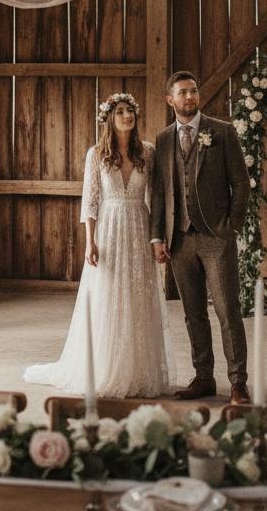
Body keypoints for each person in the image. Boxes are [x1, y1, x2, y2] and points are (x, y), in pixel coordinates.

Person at [24, 93, 176, 399]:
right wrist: (89, 242)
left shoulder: (148, 152)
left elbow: (155, 199)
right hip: (108, 229)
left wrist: (155, 238)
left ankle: (138, 372)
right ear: (110, 117)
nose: (127, 116)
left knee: (137, 296)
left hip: (137, 227)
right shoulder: (96, 154)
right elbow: (90, 201)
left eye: (130, 111)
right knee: (108, 295)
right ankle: (105, 367)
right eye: (120, 111)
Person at [149, 71, 252, 405]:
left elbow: (242, 183)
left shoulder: (221, 131)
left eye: (193, 91)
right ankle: (204, 377)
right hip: (179, 240)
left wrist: (231, 227)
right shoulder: (163, 140)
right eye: (183, 93)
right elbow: (160, 192)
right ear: (171, 100)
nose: (190, 97)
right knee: (193, 314)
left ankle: (238, 383)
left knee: (227, 311)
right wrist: (157, 238)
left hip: (215, 237)